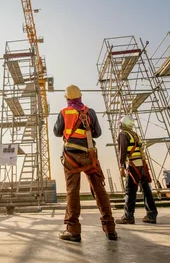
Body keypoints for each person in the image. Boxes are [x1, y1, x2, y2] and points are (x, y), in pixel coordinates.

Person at [54, 85, 117, 242]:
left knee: (72, 191)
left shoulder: (63, 112)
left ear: (67, 99)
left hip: (71, 157)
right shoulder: (90, 112)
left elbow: (56, 132)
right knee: (99, 189)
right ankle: (110, 229)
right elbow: (98, 133)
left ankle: (73, 230)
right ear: (80, 97)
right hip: (89, 155)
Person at [116, 115, 158, 224]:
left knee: (130, 191)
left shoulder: (123, 135)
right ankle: (152, 214)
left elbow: (122, 152)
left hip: (133, 165)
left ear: (122, 124)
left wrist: (121, 166)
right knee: (146, 190)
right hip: (142, 165)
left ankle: (128, 216)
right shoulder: (135, 135)